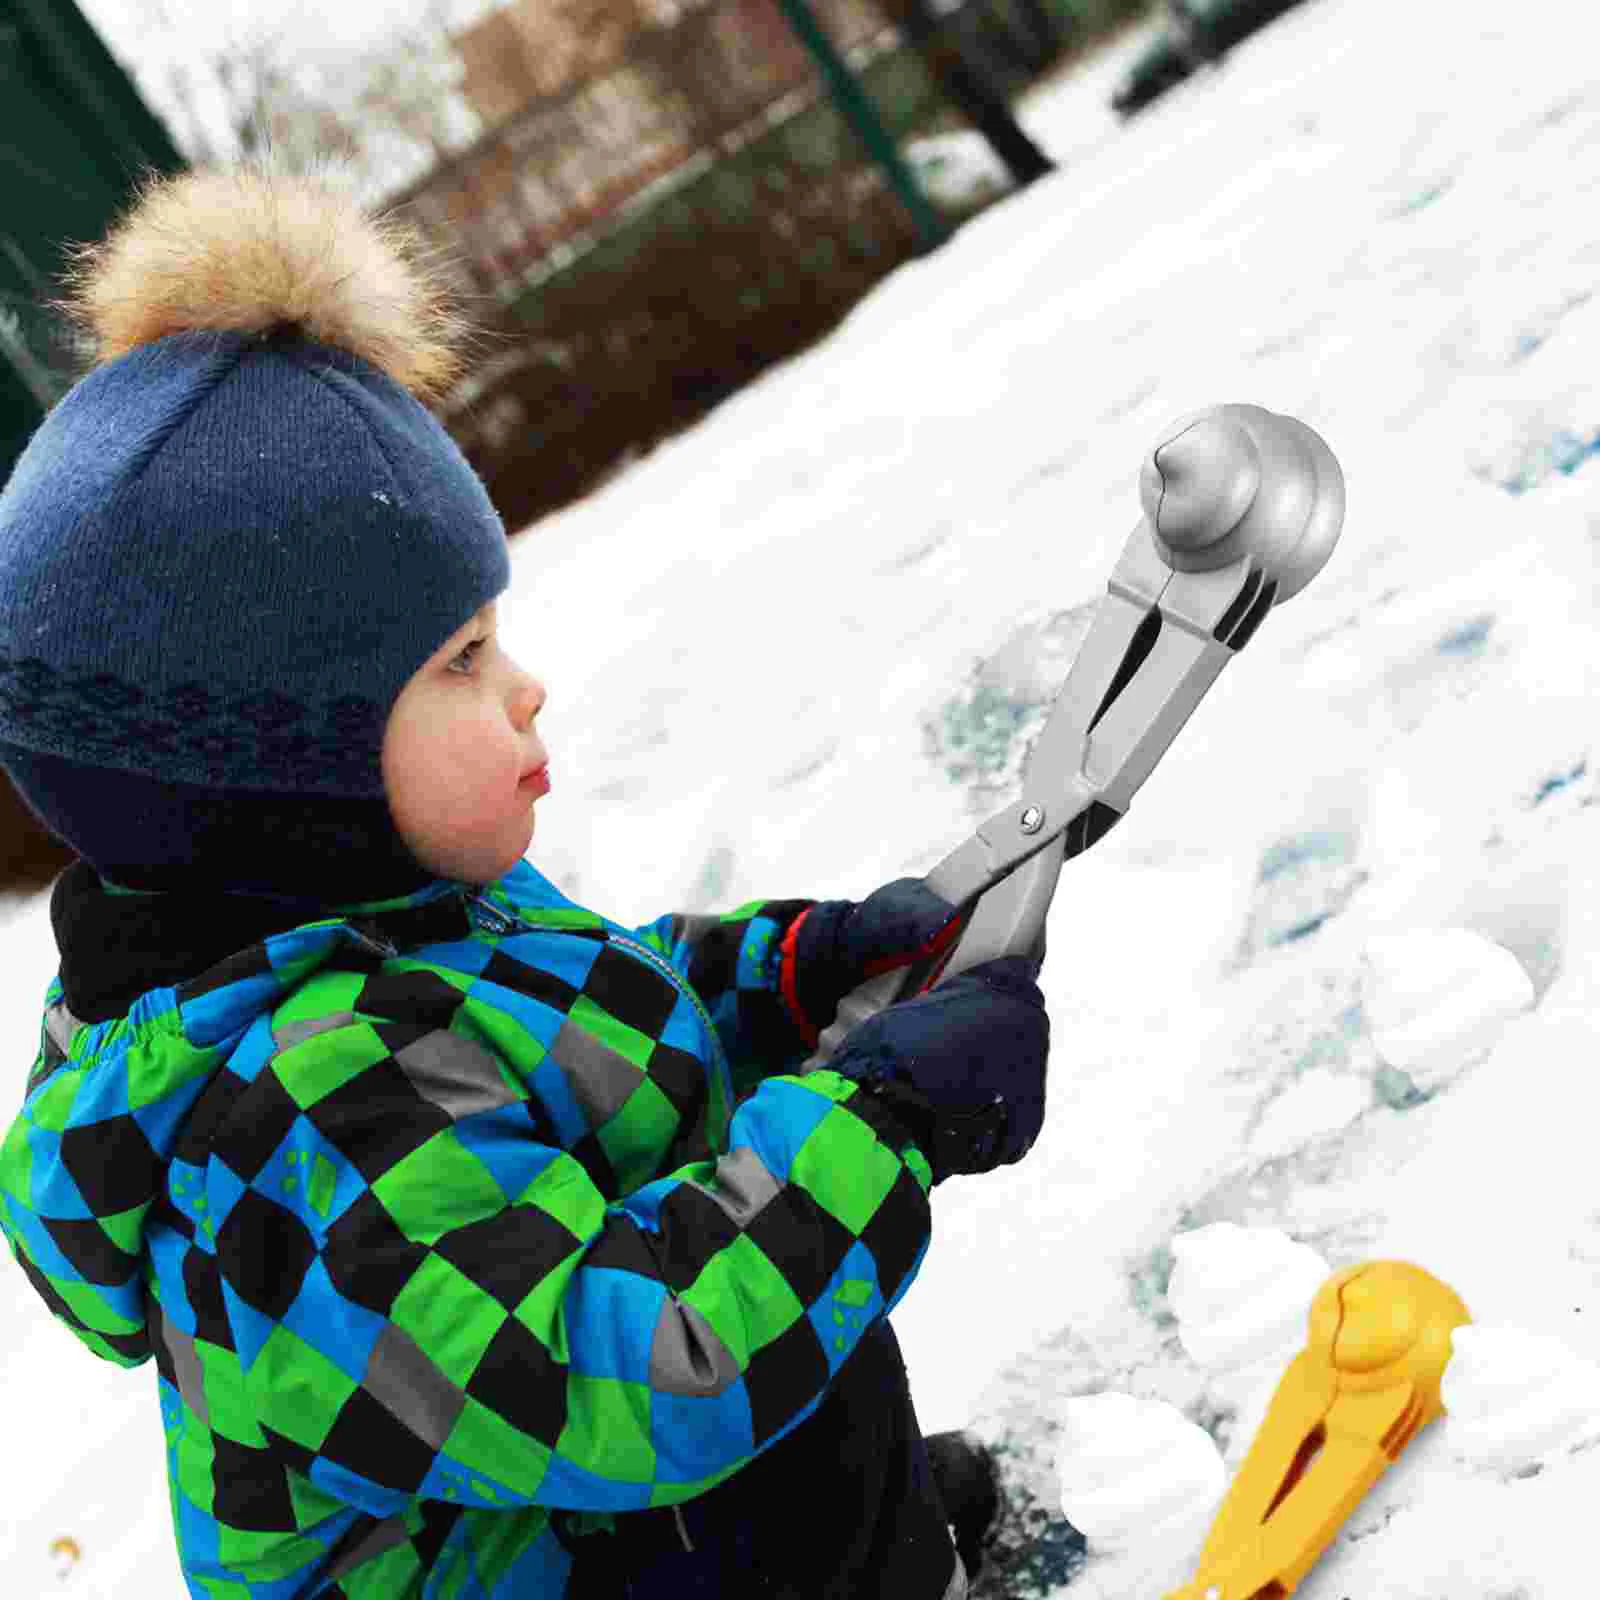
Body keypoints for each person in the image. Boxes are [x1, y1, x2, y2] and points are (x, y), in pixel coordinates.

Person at [0, 166, 1050, 1599]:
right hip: (567, 1544)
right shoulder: (298, 1122)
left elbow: (568, 1028)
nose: (526, 687)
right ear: (280, 780)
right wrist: (888, 1123)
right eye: (460, 661)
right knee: (740, 1341)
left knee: (788, 1350)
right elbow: (628, 1380)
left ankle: (848, 1522)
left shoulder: (371, 920)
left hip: (604, 1523)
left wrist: (788, 974)